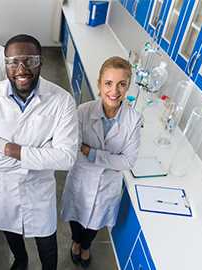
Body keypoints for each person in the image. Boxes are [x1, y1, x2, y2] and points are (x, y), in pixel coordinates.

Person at [0, 34, 78, 270]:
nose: (21, 69)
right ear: (5, 63)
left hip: (39, 193)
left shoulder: (62, 101)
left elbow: (67, 157)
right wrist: (40, 155)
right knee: (10, 231)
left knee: (47, 240)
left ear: (40, 62)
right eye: (13, 61)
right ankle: (21, 261)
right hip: (4, 190)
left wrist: (6, 147)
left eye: (29, 60)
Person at [61, 56, 142, 268]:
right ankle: (76, 243)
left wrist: (91, 152)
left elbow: (128, 161)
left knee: (95, 224)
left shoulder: (133, 120)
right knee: (76, 217)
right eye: (108, 83)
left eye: (121, 84)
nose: (114, 91)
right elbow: (73, 150)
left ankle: (85, 247)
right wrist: (107, 159)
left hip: (107, 186)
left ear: (128, 87)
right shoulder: (82, 112)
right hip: (81, 178)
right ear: (99, 84)